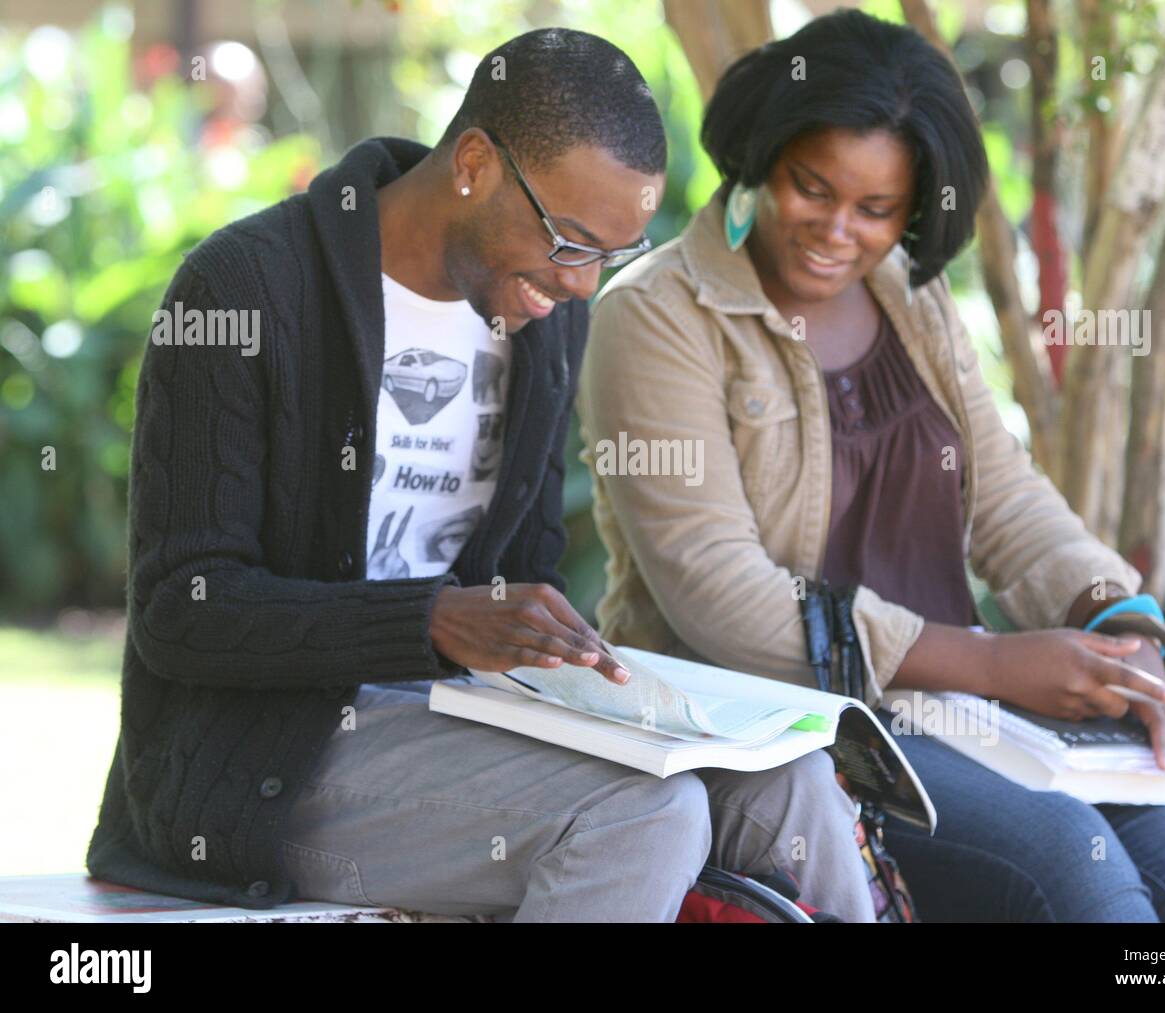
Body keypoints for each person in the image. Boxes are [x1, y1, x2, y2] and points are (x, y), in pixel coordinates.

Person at [85, 28, 875, 923]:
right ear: (473, 164)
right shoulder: (244, 290)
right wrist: (431, 620)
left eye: (611, 255)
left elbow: (522, 561)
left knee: (794, 784)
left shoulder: (538, 316)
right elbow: (180, 609)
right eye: (572, 242)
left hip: (464, 727)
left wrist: (579, 670)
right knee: (642, 813)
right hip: (262, 762)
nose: (583, 288)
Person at [576, 9, 1165, 922]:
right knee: (1074, 873)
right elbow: (716, 592)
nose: (836, 231)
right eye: (810, 186)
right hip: (786, 730)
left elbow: (1007, 497)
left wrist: (1117, 624)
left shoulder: (912, 297)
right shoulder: (658, 314)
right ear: (761, 154)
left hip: (959, 710)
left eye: (876, 209)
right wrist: (992, 661)